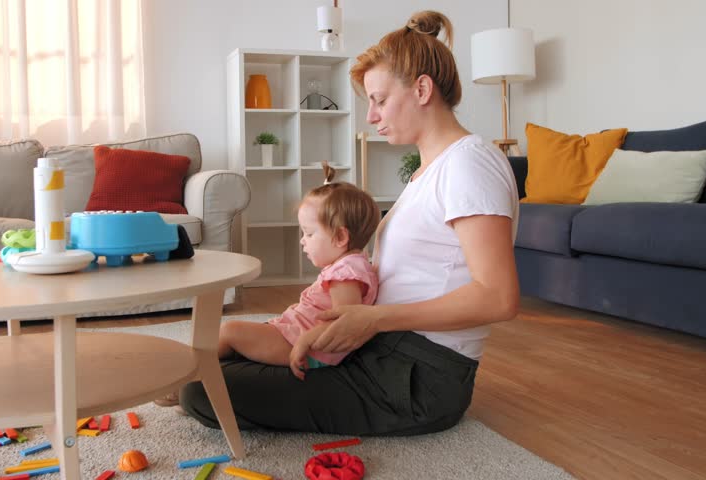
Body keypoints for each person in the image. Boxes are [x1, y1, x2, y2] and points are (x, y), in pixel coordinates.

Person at [179, 10, 520, 436]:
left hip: (420, 379)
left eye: (378, 100)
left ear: (422, 89)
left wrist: (373, 320)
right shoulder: (427, 172)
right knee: (223, 356)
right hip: (384, 348)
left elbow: (498, 297)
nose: (371, 117)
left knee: (202, 390)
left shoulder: (469, 165)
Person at [155, 163, 380, 408]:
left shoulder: (346, 272)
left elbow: (346, 321)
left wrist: (306, 342)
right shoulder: (349, 267)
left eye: (309, 234)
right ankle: (198, 378)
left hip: (308, 350)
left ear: (340, 237)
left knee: (230, 332)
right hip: (303, 341)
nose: (303, 241)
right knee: (240, 341)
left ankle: (181, 377)